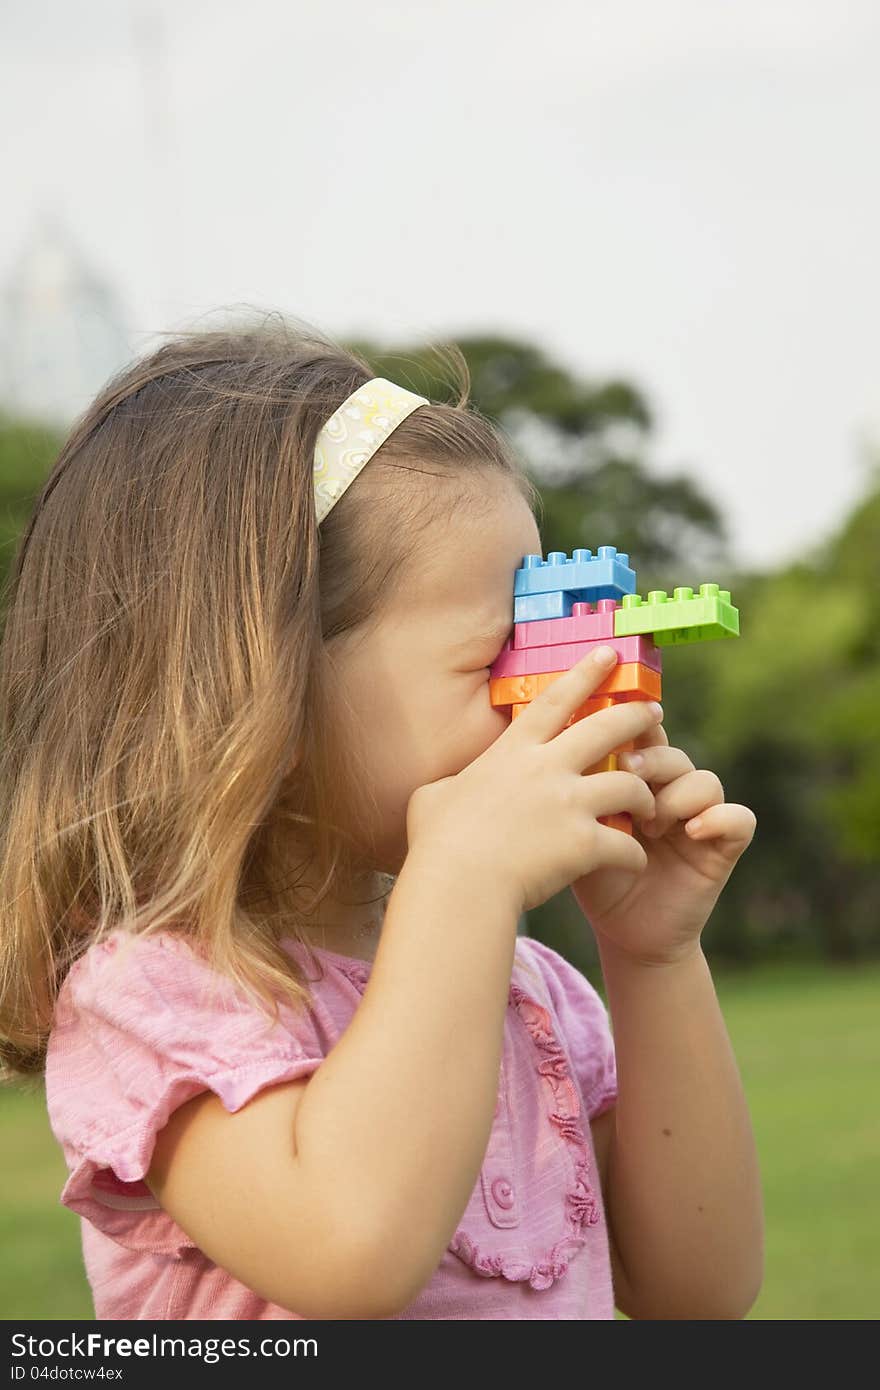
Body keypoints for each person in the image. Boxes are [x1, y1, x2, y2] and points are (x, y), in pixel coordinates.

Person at [0, 317, 763, 1320]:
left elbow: (696, 1292)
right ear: (262, 683)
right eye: (502, 659)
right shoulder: (160, 996)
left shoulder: (533, 997)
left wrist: (652, 957)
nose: (550, 705)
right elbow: (347, 1252)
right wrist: (462, 883)